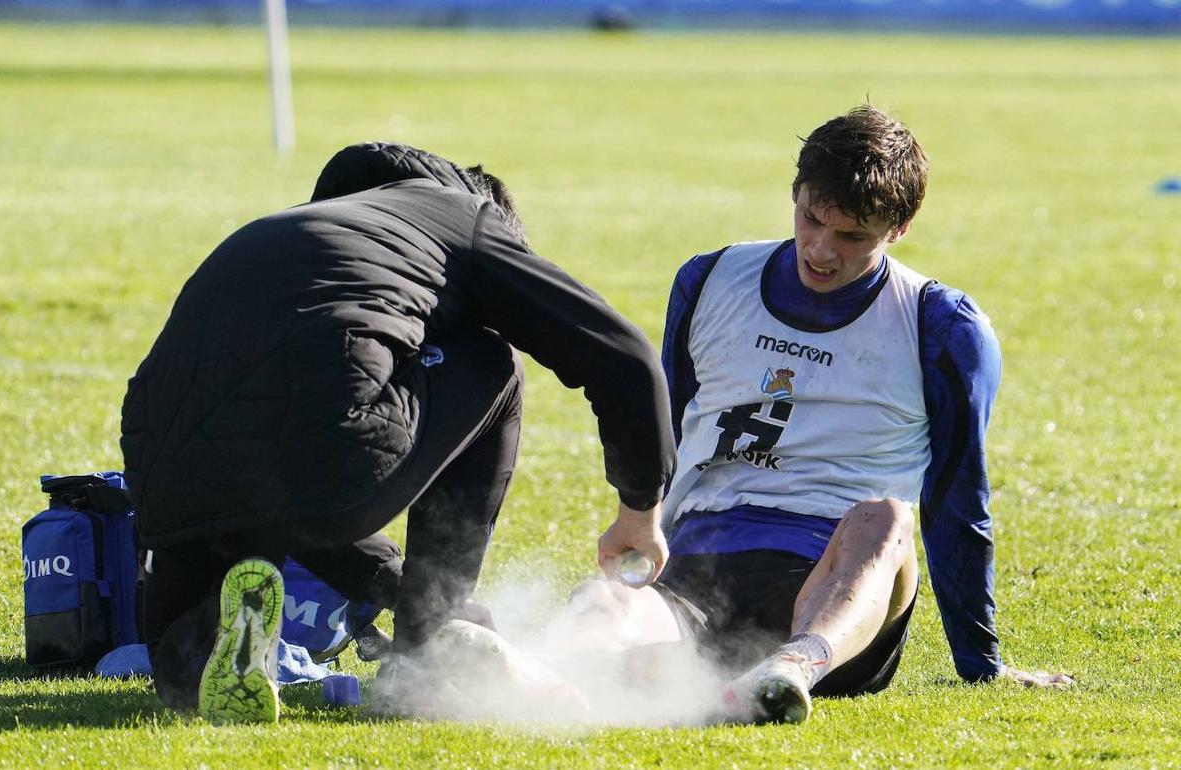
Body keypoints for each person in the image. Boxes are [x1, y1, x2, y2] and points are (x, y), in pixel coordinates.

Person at [551, 104, 1071, 725]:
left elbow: (958, 497)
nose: (821, 250)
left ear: (898, 228)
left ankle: (787, 671)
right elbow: (666, 433)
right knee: (602, 606)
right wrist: (639, 520)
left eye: (852, 236)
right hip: (696, 573)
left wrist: (982, 663)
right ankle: (510, 675)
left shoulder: (942, 326)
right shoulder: (709, 279)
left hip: (838, 590)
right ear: (794, 194)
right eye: (810, 219)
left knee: (885, 517)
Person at [120, 142, 675, 724]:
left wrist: (391, 580)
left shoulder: (296, 228)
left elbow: (277, 463)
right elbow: (624, 358)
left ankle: (198, 662)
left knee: (184, 665)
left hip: (162, 482)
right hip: (324, 452)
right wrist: (641, 508)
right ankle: (425, 650)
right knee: (494, 364)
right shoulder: (462, 215)